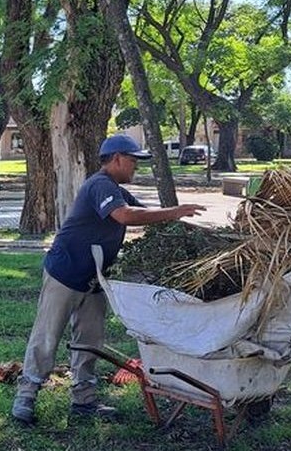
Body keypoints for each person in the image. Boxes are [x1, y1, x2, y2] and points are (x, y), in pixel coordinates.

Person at [11, 135, 207, 425]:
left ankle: (84, 400)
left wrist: (183, 226)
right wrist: (175, 211)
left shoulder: (115, 189)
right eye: (132, 161)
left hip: (94, 279)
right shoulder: (99, 185)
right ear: (116, 159)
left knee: (90, 340)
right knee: (47, 335)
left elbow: (145, 214)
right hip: (65, 273)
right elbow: (125, 216)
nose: (135, 167)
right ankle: (25, 397)